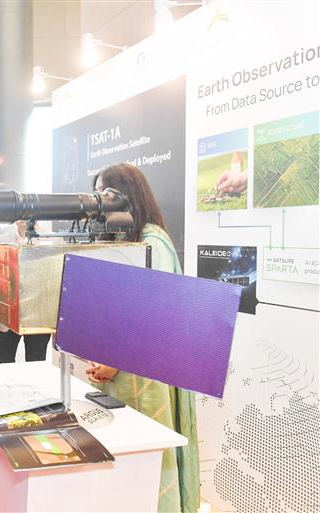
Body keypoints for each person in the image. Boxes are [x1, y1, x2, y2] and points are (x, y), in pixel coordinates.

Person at [86, 162, 200, 513]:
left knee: (151, 458)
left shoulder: (153, 243)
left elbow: (155, 317)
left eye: (106, 195)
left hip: (148, 380)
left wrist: (112, 362)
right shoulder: (130, 240)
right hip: (122, 372)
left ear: (127, 196)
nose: (99, 206)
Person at [0, 220, 51, 363]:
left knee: (36, 366)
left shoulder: (49, 239)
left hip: (38, 315)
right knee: (3, 362)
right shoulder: (3, 240)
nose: (22, 217)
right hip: (8, 314)